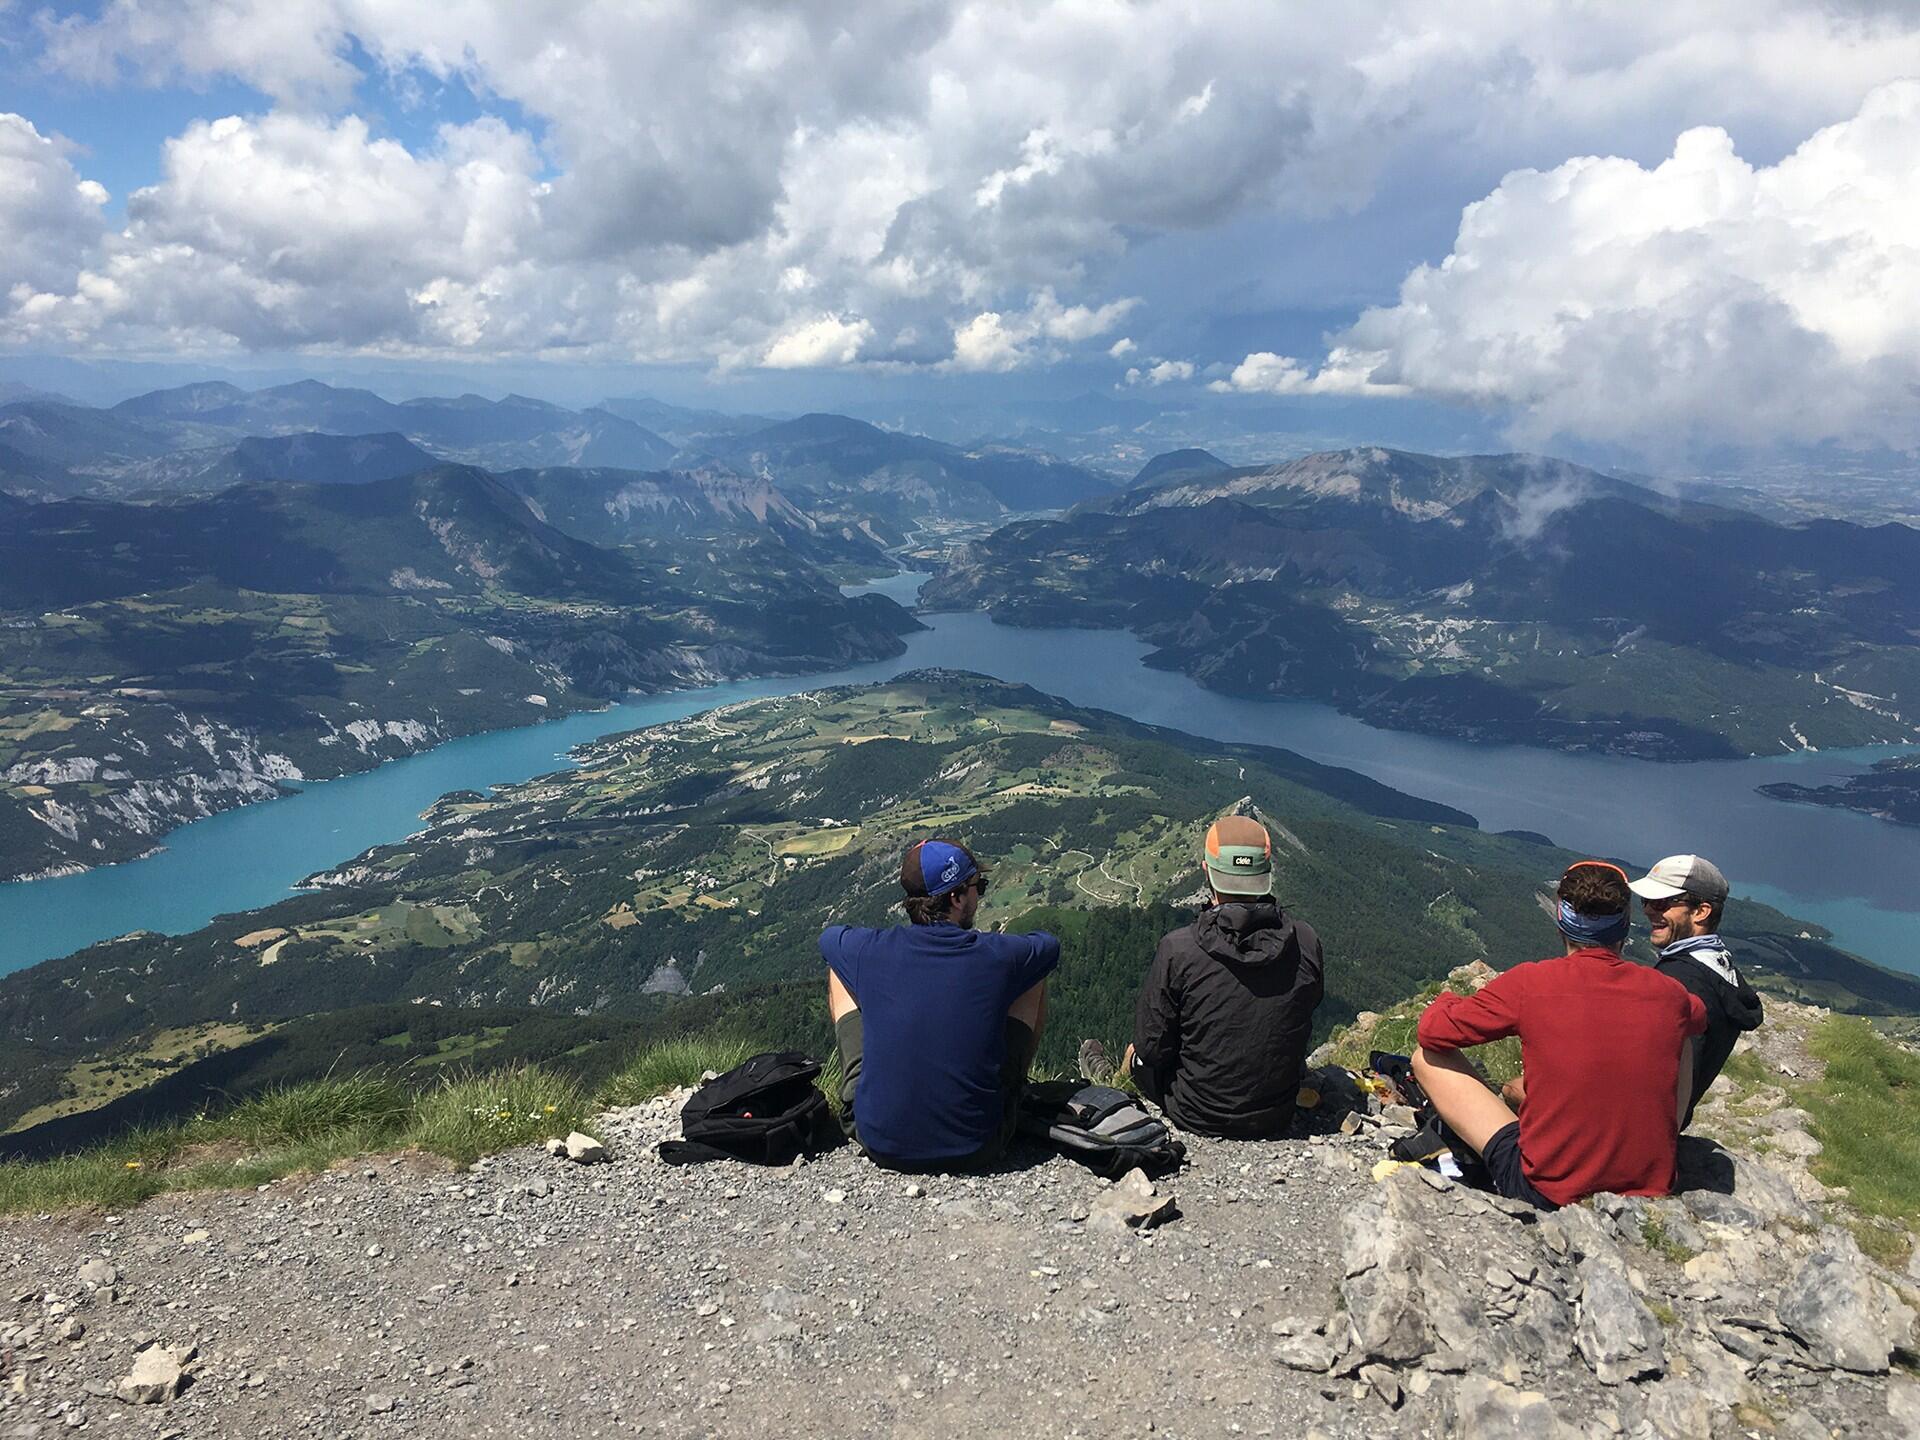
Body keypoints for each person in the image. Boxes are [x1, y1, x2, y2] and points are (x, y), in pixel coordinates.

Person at [1412, 860, 1706, 1209]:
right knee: (1683, 1031)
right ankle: (1657, 1148)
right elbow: (1698, 1015)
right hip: (1650, 1187)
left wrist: (1446, 999)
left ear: (1561, 924)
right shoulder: (1669, 993)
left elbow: (1432, 1034)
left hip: (1548, 1190)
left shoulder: (1532, 983)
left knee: (1424, 1058)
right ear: (1624, 928)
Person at [820, 838, 1056, 1171]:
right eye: (979, 886)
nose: (980, 895)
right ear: (957, 897)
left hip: (878, 1139)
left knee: (839, 970)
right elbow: (1049, 947)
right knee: (1034, 976)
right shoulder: (997, 957)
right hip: (977, 1144)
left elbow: (829, 939)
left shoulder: (870, 950)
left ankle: (859, 1089)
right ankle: (1015, 1085)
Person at [1120, 814, 1325, 1139]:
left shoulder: (1179, 948)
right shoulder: (1306, 941)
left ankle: (1110, 1080)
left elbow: (1152, 1048)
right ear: (1266, 874)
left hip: (1196, 1112)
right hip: (1276, 1112)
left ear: (1207, 870)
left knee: (1135, 1054)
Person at [1629, 855, 1763, 1127]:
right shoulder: (1722, 970)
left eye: (1662, 903)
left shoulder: (1677, 983)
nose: (1648, 910)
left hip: (1640, 1132)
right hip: (1665, 1127)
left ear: (1701, 912)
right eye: (1646, 902)